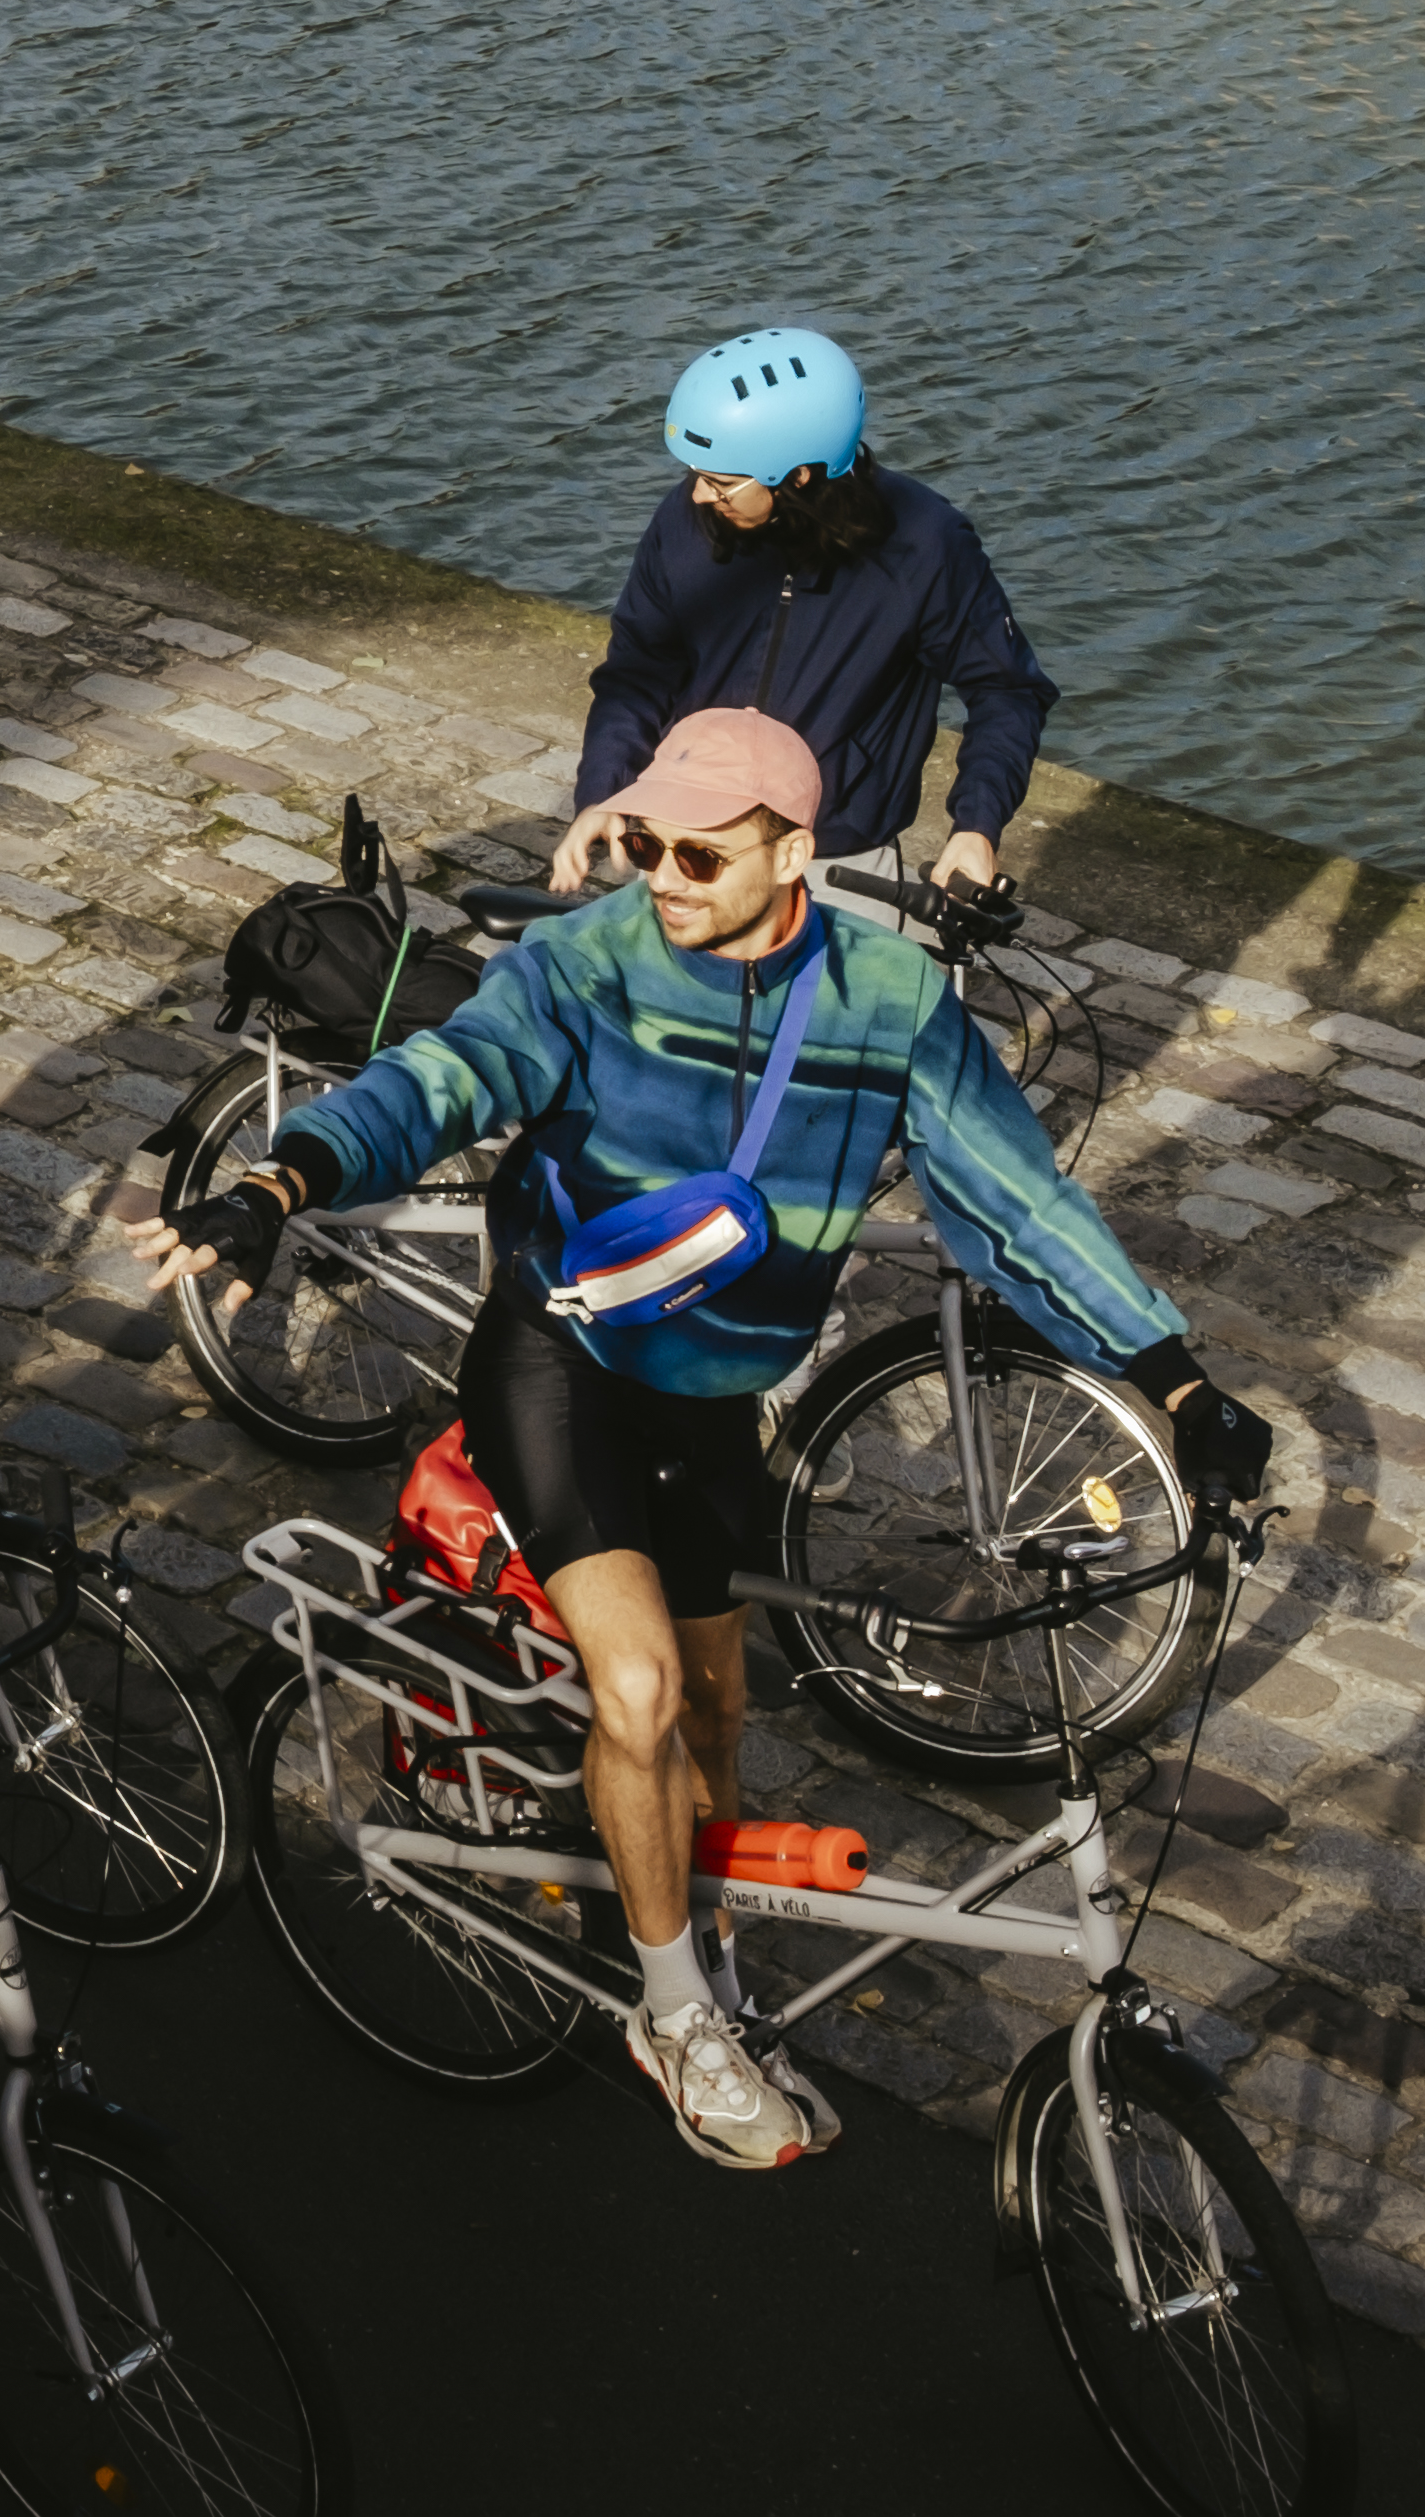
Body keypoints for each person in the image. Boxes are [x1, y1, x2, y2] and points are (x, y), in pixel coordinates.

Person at [141, 710, 1270, 2173]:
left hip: (712, 1395)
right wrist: (283, 1182)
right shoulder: (586, 961)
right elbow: (447, 1080)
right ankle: (670, 2017)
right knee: (642, 1683)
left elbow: (1021, 1201)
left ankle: (704, 1947)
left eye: (696, 851)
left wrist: (1175, 1382)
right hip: (560, 1361)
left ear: (794, 853)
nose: (659, 873)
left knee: (725, 1722)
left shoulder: (887, 1000)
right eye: (646, 840)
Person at [548, 328, 1058, 907]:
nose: (695, 497)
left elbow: (1007, 690)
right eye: (696, 474)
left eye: (718, 482)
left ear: (797, 476)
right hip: (681, 841)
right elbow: (638, 674)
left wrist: (976, 826)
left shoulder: (925, 546)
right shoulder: (683, 523)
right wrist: (603, 794)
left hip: (833, 855)